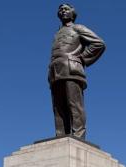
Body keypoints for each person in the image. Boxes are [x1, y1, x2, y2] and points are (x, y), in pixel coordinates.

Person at [48, 3, 105, 139]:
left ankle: (78, 135)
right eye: (61, 10)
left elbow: (99, 43)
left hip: (71, 68)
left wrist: (82, 58)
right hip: (55, 70)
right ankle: (61, 134)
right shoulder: (57, 33)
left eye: (66, 9)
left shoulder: (78, 28)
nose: (63, 11)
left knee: (74, 104)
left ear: (73, 13)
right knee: (58, 107)